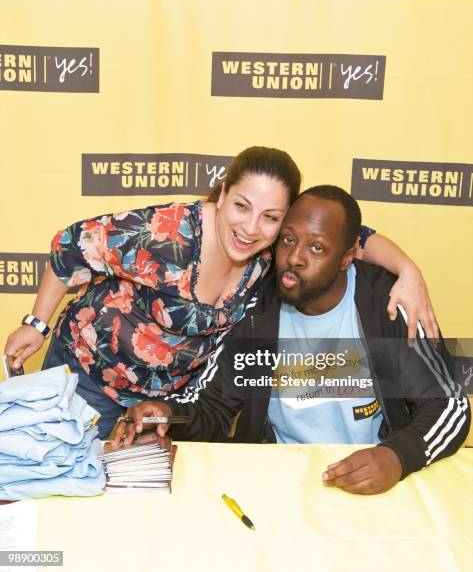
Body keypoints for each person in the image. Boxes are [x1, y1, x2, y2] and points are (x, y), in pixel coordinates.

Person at [5, 147, 437, 439]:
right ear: (223, 193)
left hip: (167, 400)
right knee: (57, 484)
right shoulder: (165, 235)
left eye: (271, 218)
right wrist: (36, 323)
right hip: (90, 376)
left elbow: (350, 236)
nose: (251, 229)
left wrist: (409, 269)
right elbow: (70, 246)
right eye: (242, 207)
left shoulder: (277, 253)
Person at [113, 186, 470, 495]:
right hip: (278, 477)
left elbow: (450, 407)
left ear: (348, 257)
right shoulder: (257, 307)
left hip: (368, 475)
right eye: (288, 239)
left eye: (317, 248)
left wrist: (396, 456)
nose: (295, 258)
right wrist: (168, 413)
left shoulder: (386, 306)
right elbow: (213, 406)